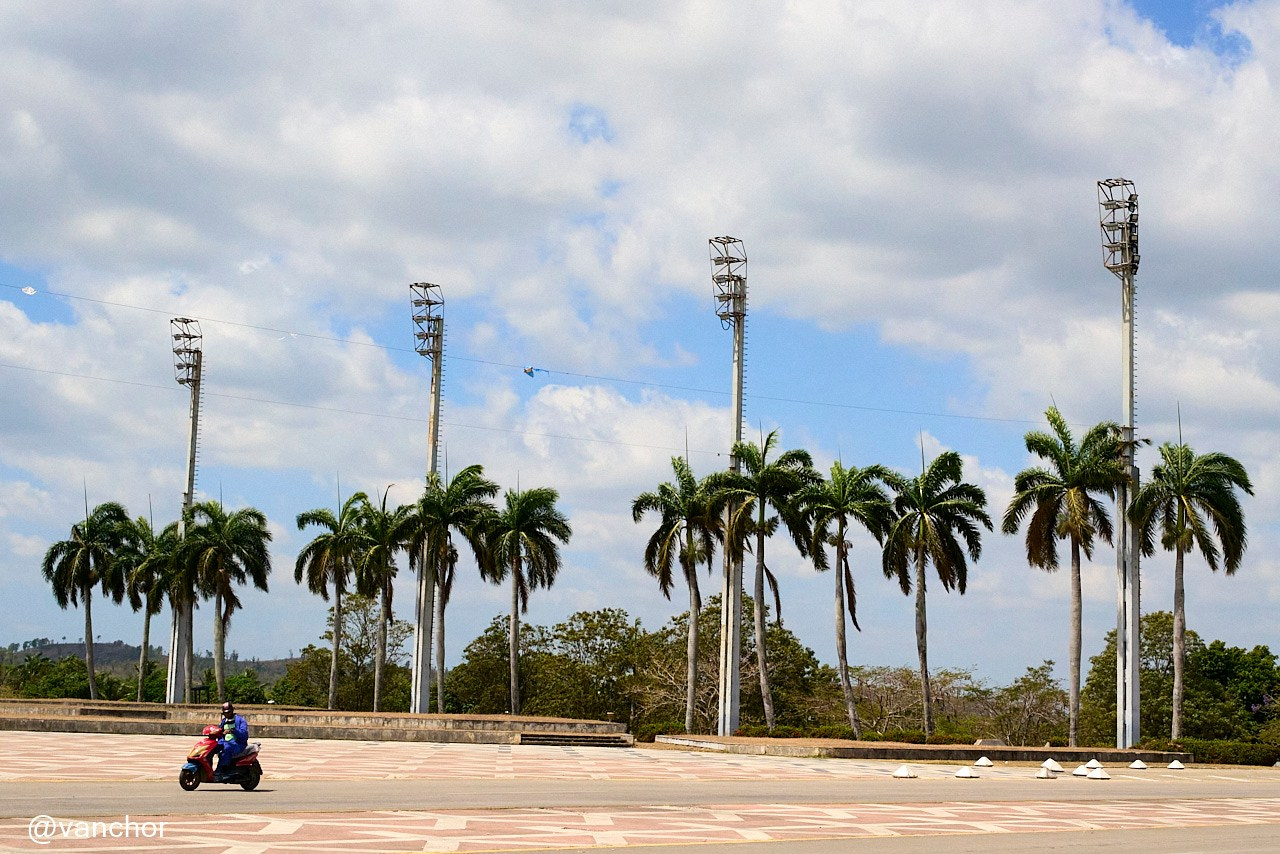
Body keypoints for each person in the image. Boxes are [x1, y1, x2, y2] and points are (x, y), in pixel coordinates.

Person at [215, 701, 249, 778]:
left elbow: (244, 735)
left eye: (228, 712)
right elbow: (219, 732)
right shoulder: (224, 721)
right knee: (213, 747)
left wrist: (233, 731)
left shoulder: (240, 720)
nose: (227, 714)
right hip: (224, 742)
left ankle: (222, 769)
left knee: (227, 748)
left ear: (232, 711)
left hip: (238, 744)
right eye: (225, 713)